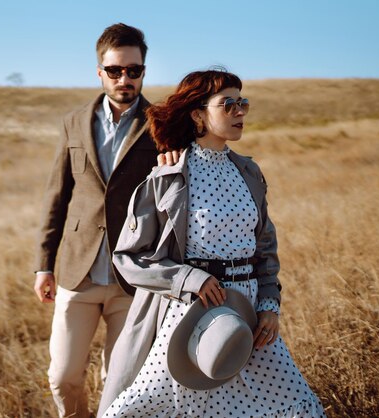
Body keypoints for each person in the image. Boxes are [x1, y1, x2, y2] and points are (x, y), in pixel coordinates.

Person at [97, 69, 326, 417]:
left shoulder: (249, 172)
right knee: (144, 408)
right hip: (190, 313)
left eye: (243, 103)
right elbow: (129, 257)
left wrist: (269, 305)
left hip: (249, 317)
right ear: (198, 114)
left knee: (294, 404)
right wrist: (189, 279)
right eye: (228, 104)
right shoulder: (167, 176)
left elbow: (264, 249)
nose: (240, 112)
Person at [33, 23, 159, 418]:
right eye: (116, 70)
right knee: (63, 376)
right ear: (100, 71)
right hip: (78, 271)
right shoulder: (74, 122)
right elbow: (57, 196)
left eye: (134, 70)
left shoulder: (161, 124)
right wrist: (43, 265)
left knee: (119, 381)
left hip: (134, 276)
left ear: (142, 70)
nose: (125, 79)